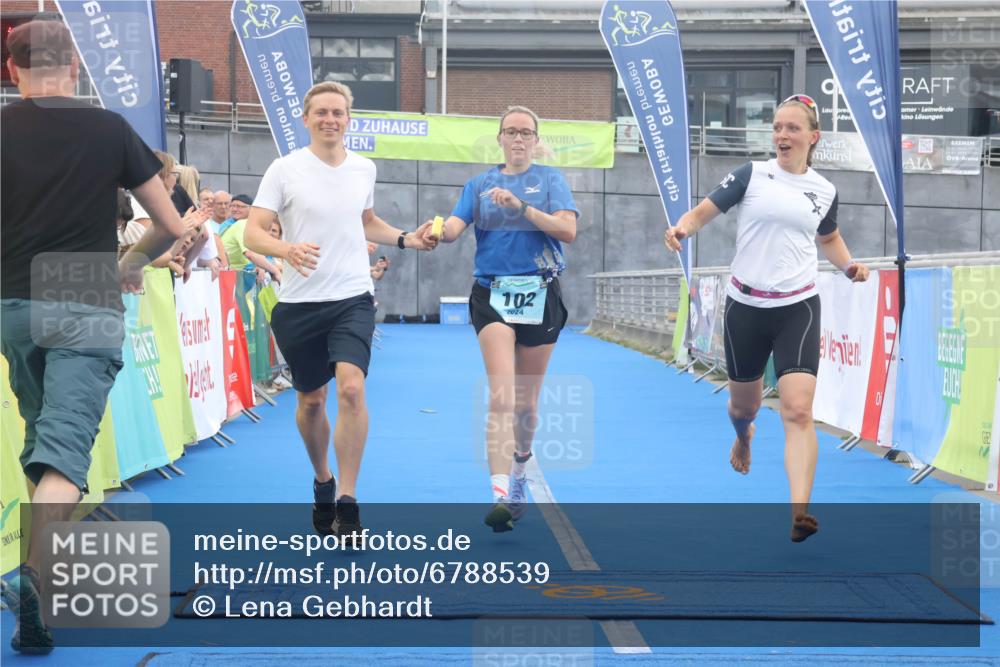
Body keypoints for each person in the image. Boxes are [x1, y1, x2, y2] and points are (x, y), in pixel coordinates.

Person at [0, 19, 184, 653]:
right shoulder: (109, 128)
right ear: (74, 70)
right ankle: (30, 575)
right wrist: (128, 267)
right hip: (82, 292)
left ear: (12, 70)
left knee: (42, 439)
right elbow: (170, 223)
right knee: (65, 452)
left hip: (13, 300)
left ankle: (38, 609)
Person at [664, 94, 870, 543]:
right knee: (746, 407)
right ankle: (743, 436)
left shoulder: (824, 190)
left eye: (792, 128)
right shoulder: (751, 174)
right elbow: (701, 213)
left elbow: (829, 237)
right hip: (745, 308)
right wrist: (681, 229)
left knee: (797, 409)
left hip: (797, 306)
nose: (782, 135)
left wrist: (848, 266)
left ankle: (799, 511)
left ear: (812, 137)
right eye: (777, 127)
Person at [244, 81, 437, 538]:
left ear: (348, 119)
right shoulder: (284, 169)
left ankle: (348, 500)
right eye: (321, 112)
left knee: (351, 389)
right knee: (312, 401)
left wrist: (408, 238)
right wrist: (286, 249)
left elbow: (367, 221)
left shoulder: (363, 168)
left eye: (338, 113)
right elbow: (252, 234)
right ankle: (324, 482)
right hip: (299, 302)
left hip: (352, 296)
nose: (330, 120)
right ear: (306, 119)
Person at [431, 105, 579, 532]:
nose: (518, 139)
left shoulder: (551, 181)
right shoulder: (479, 185)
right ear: (499, 138)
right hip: (492, 294)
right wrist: (435, 231)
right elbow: (455, 228)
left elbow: (567, 231)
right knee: (502, 394)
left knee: (527, 404)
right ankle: (499, 493)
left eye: (526, 132)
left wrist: (522, 207)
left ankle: (519, 470)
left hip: (541, 292)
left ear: (536, 139)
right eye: (510, 132)